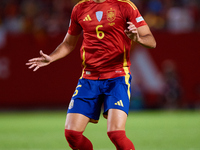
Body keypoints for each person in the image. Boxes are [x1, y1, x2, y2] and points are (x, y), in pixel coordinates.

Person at [26, 0, 156, 149]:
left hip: (117, 77)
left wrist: (137, 38)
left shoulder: (125, 6)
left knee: (116, 134)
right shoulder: (79, 9)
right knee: (72, 134)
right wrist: (51, 57)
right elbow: (69, 44)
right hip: (89, 78)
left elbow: (151, 41)